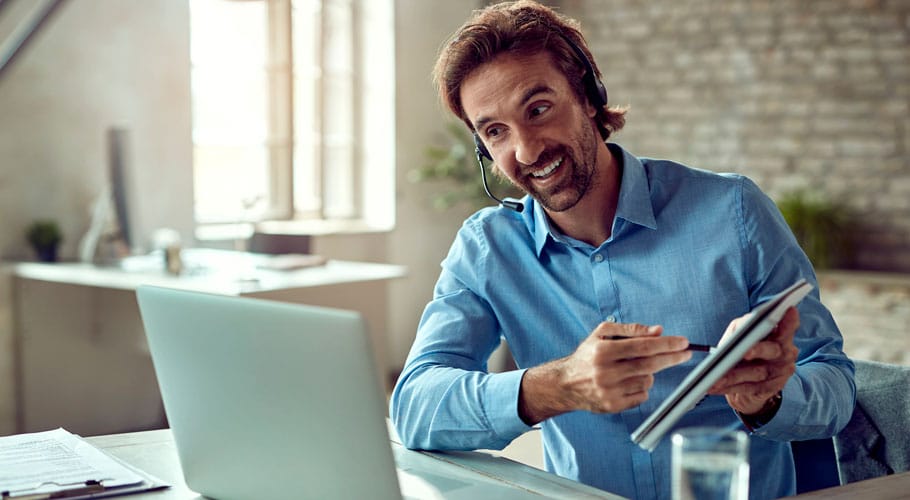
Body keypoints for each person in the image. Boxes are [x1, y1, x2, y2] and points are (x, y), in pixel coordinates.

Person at [389, 1, 855, 499]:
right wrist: (560, 385)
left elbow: (836, 385)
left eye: (538, 109)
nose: (525, 150)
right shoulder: (488, 247)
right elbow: (415, 406)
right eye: (496, 131)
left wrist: (767, 400)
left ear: (588, 96)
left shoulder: (733, 210)